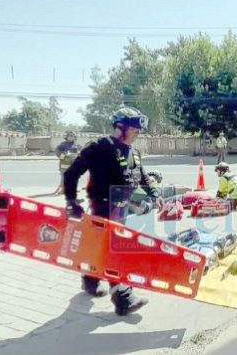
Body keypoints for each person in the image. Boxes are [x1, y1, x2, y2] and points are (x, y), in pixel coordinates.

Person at [63, 106, 162, 316]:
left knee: (101, 247)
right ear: (119, 128)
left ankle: (90, 281)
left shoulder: (133, 152)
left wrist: (155, 194)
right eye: (135, 130)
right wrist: (72, 202)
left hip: (121, 208)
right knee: (113, 249)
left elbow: (142, 176)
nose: (138, 134)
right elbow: (71, 173)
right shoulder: (100, 147)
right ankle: (123, 297)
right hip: (102, 206)